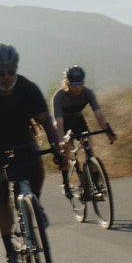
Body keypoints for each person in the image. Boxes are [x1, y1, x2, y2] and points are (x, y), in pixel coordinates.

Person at [0, 43, 67, 263]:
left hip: (22, 138)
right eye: (0, 72)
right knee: (1, 194)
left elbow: (46, 122)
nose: (6, 76)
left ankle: (35, 204)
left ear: (16, 69)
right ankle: (10, 252)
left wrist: (58, 150)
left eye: (11, 71)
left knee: (36, 163)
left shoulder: (27, 88)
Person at [51, 65, 117, 198]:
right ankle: (66, 184)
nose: (78, 87)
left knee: (89, 147)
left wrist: (108, 131)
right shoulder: (59, 97)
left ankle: (96, 185)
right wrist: (62, 141)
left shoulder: (87, 93)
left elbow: (99, 115)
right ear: (67, 83)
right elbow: (58, 122)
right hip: (62, 123)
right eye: (74, 84)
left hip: (78, 121)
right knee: (66, 151)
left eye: (80, 83)